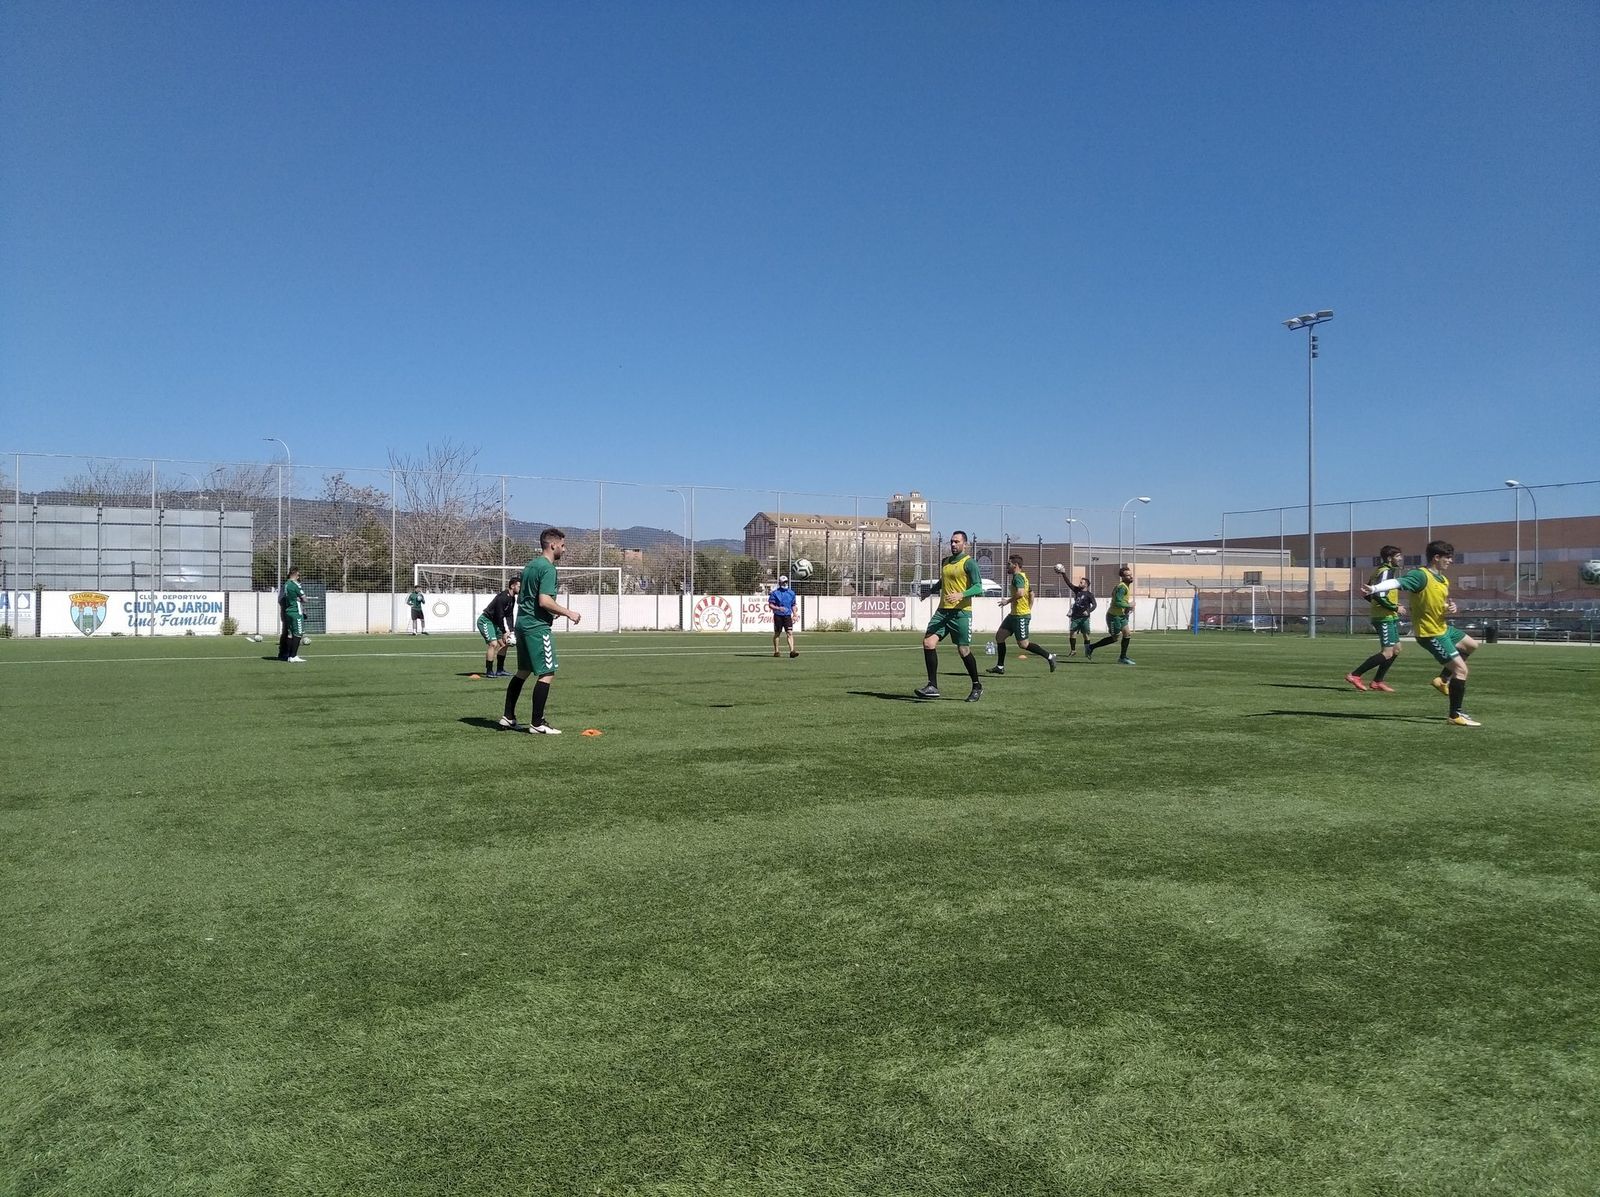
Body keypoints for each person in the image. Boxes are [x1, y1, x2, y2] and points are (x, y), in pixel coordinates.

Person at [1362, 539, 1483, 726]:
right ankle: (1455, 715)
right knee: (1461, 670)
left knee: (1471, 645)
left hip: (1443, 628)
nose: (1451, 561)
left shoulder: (1443, 579)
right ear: (1436, 558)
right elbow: (1397, 581)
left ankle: (1442, 680)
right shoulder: (1421, 575)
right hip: (1430, 633)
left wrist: (1449, 607)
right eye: (1448, 558)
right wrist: (1375, 588)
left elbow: (1435, 604)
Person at [500, 528, 582, 734]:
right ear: (553, 545)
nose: (564, 549)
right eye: (563, 545)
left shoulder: (530, 566)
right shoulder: (548, 568)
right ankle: (538, 723)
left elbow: (528, 598)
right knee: (547, 671)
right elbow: (544, 600)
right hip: (537, 627)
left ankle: (508, 717)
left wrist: (550, 612)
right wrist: (567, 613)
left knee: (523, 671)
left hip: (523, 624)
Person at [915, 530, 985, 701]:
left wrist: (961, 594)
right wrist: (930, 590)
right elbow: (943, 581)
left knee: (963, 650)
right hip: (942, 611)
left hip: (961, 613)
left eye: (957, 542)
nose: (953, 545)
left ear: (965, 544)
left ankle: (977, 686)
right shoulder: (945, 562)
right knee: (928, 642)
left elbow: (978, 587)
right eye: (952, 542)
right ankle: (932, 686)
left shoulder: (970, 563)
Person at [1346, 545, 1404, 692]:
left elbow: (1367, 594)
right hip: (1383, 617)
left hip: (1388, 616)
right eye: (1398, 556)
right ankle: (1355, 674)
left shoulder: (1383, 571)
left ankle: (1377, 681)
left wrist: (1391, 606)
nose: (1400, 559)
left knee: (1396, 649)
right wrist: (1394, 607)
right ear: (1390, 558)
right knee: (1387, 652)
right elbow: (1377, 595)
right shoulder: (1386, 572)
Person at [989, 555, 1057, 674]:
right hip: (1014, 615)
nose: (1007, 566)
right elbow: (1031, 594)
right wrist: (1029, 609)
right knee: (999, 637)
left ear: (1015, 566)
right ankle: (1000, 667)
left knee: (1023, 644)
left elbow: (1020, 593)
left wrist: (1007, 601)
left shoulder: (1018, 577)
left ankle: (1050, 656)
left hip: (1020, 615)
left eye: (1008, 564)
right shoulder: (1023, 577)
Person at [1083, 564, 1136, 664]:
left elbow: (1115, 596)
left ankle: (1123, 657)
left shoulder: (1124, 586)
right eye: (1128, 575)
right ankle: (1091, 647)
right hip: (1114, 616)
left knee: (1127, 634)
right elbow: (1117, 602)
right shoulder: (1122, 587)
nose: (1131, 576)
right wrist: (1129, 605)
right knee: (1115, 638)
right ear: (1123, 577)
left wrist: (1127, 608)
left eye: (1131, 574)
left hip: (1121, 615)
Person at [477, 577, 521, 677]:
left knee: (504, 644)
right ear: (512, 586)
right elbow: (499, 615)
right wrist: (504, 631)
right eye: (519, 586)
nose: (521, 588)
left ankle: (500, 670)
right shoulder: (502, 597)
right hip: (486, 621)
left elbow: (509, 615)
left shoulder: (512, 598)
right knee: (493, 644)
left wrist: (511, 630)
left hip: (495, 623)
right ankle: (489, 671)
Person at [1053, 566, 1097, 656]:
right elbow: (1069, 583)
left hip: (1085, 618)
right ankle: (1073, 651)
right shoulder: (1077, 591)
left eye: (1082, 582)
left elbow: (1095, 605)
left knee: (1086, 635)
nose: (1080, 583)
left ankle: (1087, 650)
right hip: (1075, 616)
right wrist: (1063, 573)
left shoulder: (1089, 594)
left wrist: (1088, 611)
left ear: (1086, 585)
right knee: (1072, 633)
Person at [277, 567, 306, 663]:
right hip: (294, 612)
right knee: (296, 633)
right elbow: (304, 599)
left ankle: (287, 655)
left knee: (289, 633)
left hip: (287, 611)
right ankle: (292, 655)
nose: (299, 577)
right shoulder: (294, 585)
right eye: (298, 575)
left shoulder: (286, 585)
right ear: (296, 575)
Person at [768, 573, 799, 658]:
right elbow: (770, 605)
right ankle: (776, 651)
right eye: (783, 582)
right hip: (778, 616)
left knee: (789, 632)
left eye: (786, 582)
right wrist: (778, 608)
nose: (785, 583)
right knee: (777, 633)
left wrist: (795, 614)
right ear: (780, 583)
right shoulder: (775, 593)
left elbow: (793, 604)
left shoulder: (791, 593)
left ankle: (792, 651)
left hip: (787, 616)